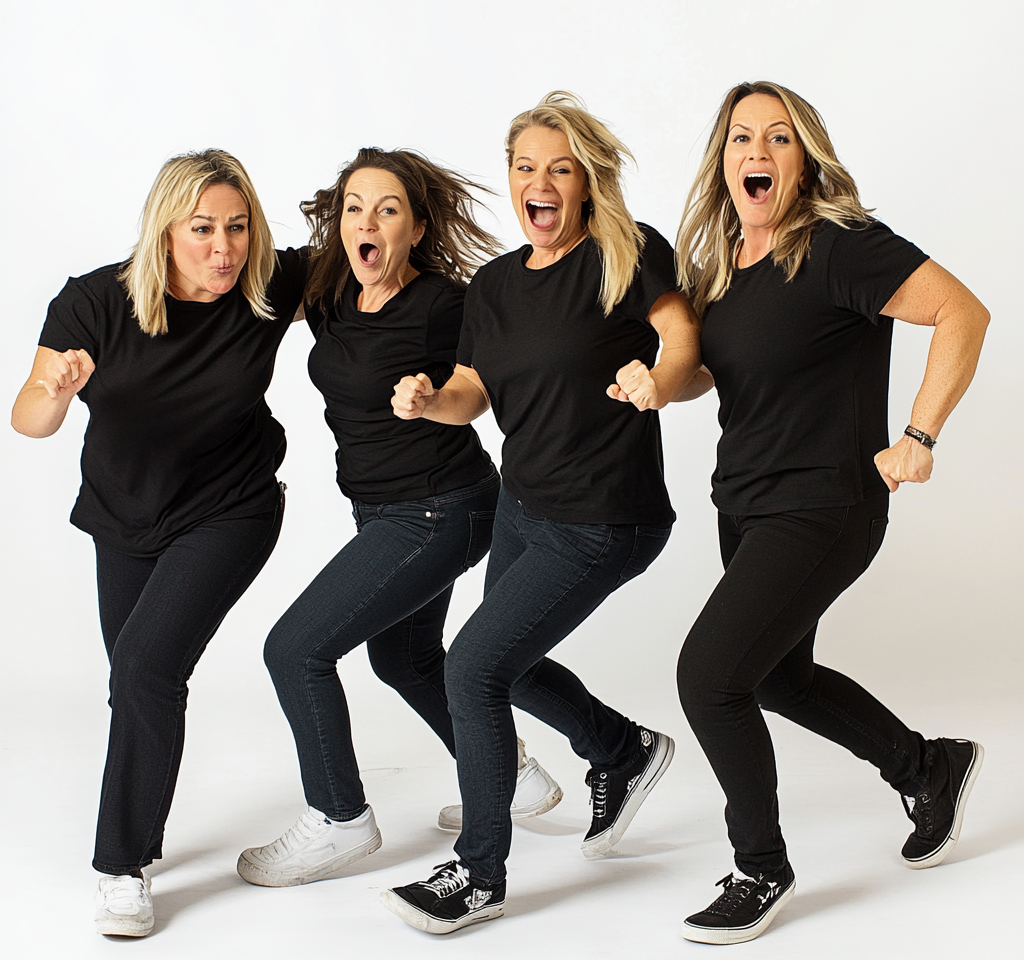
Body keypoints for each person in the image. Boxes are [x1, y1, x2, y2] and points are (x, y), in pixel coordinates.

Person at [673, 81, 990, 944]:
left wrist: (920, 431)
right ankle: (928, 766)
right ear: (723, 159)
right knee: (776, 676)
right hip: (744, 505)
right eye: (743, 139)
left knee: (708, 677)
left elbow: (963, 312)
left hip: (825, 504)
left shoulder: (840, 246)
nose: (758, 154)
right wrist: (652, 376)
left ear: (804, 157)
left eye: (779, 139)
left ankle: (760, 869)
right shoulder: (723, 266)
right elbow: (713, 372)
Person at [382, 92, 703, 934]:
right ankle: (622, 751)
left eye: (560, 167)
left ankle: (480, 873)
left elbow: (683, 341)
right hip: (525, 510)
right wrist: (428, 400)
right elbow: (473, 395)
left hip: (606, 516)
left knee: (470, 669)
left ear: (587, 182)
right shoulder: (493, 286)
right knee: (506, 664)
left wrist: (656, 383)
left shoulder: (627, 256)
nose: (541, 181)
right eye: (527, 166)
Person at [236, 148, 562, 889]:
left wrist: (433, 397)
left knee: (294, 651)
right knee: (403, 658)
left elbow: (486, 387)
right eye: (355, 208)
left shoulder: (445, 305)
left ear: (416, 227)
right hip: (383, 510)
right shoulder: (329, 291)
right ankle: (512, 776)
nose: (368, 222)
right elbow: (242, 273)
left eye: (388, 209)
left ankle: (339, 817)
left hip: (439, 509)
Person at [11, 150, 308, 937]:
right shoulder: (94, 304)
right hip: (125, 517)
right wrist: (56, 387)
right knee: (138, 678)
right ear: (164, 230)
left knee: (145, 667)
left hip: (232, 508)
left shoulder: (270, 287)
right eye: (203, 228)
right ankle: (141, 833)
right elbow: (28, 420)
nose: (225, 248)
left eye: (239, 228)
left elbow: (369, 259)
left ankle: (120, 869)